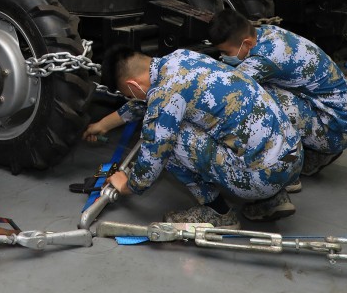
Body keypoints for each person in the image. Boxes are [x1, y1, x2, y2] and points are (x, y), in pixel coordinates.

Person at [83, 45, 302, 227]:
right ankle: (274, 198)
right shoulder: (182, 58)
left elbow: (154, 153)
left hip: (262, 177)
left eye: (127, 93)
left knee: (171, 140)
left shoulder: (164, 94)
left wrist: (128, 185)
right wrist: (103, 125)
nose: (130, 97)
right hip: (293, 157)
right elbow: (148, 101)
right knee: (198, 120)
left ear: (131, 85)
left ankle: (219, 213)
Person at [207, 9, 347, 184]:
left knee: (256, 97)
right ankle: (310, 151)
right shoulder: (266, 33)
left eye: (226, 53)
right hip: (340, 116)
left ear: (247, 43)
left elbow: (225, 91)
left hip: (336, 131)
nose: (223, 57)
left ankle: (287, 169)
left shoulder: (263, 59)